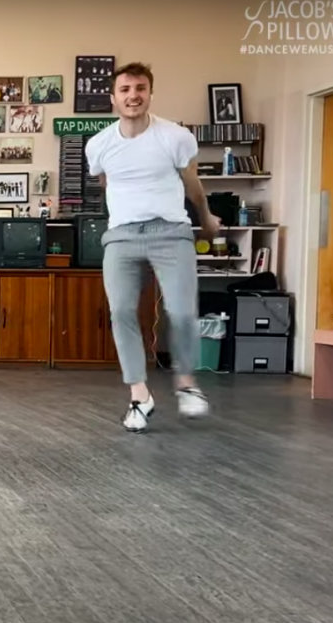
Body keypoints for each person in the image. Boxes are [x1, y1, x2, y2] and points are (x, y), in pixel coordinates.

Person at [84, 62, 221, 433]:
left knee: (182, 312)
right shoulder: (98, 145)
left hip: (170, 231)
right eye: (125, 89)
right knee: (121, 312)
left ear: (150, 94)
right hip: (122, 235)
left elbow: (192, 184)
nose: (133, 95)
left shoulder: (174, 137)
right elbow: (106, 182)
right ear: (114, 97)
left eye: (140, 88)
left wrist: (206, 218)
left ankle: (187, 384)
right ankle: (139, 397)